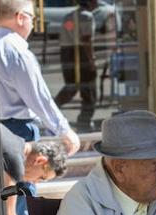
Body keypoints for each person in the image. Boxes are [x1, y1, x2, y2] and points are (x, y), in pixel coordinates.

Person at [0, 0, 80, 154]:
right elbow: (38, 97)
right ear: (20, 17)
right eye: (32, 18)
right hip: (20, 131)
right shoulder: (18, 53)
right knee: (25, 177)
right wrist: (64, 131)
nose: (33, 25)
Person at [55, 0, 99, 131]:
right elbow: (86, 40)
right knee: (89, 90)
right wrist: (91, 61)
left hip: (67, 54)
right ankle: (84, 122)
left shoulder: (69, 16)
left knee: (71, 87)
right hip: (80, 55)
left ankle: (52, 110)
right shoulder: (87, 17)